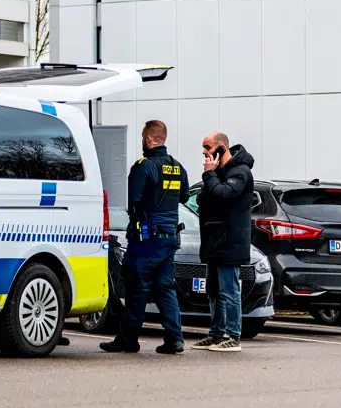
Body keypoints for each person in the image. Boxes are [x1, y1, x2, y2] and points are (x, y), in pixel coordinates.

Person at [101, 120, 189, 355]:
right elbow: (184, 197)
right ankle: (175, 339)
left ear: (149, 139)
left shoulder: (145, 165)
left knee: (137, 287)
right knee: (165, 287)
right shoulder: (178, 167)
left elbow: (132, 199)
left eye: (143, 138)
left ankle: (128, 339)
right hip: (170, 238)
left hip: (147, 239)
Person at [194, 133, 255, 352]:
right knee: (214, 289)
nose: (204, 152)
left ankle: (233, 335)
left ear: (221, 148)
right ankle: (216, 333)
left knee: (229, 289)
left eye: (207, 147)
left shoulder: (240, 172)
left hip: (230, 239)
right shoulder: (217, 173)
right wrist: (211, 178)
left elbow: (223, 194)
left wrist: (210, 176)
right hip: (213, 239)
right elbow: (202, 198)